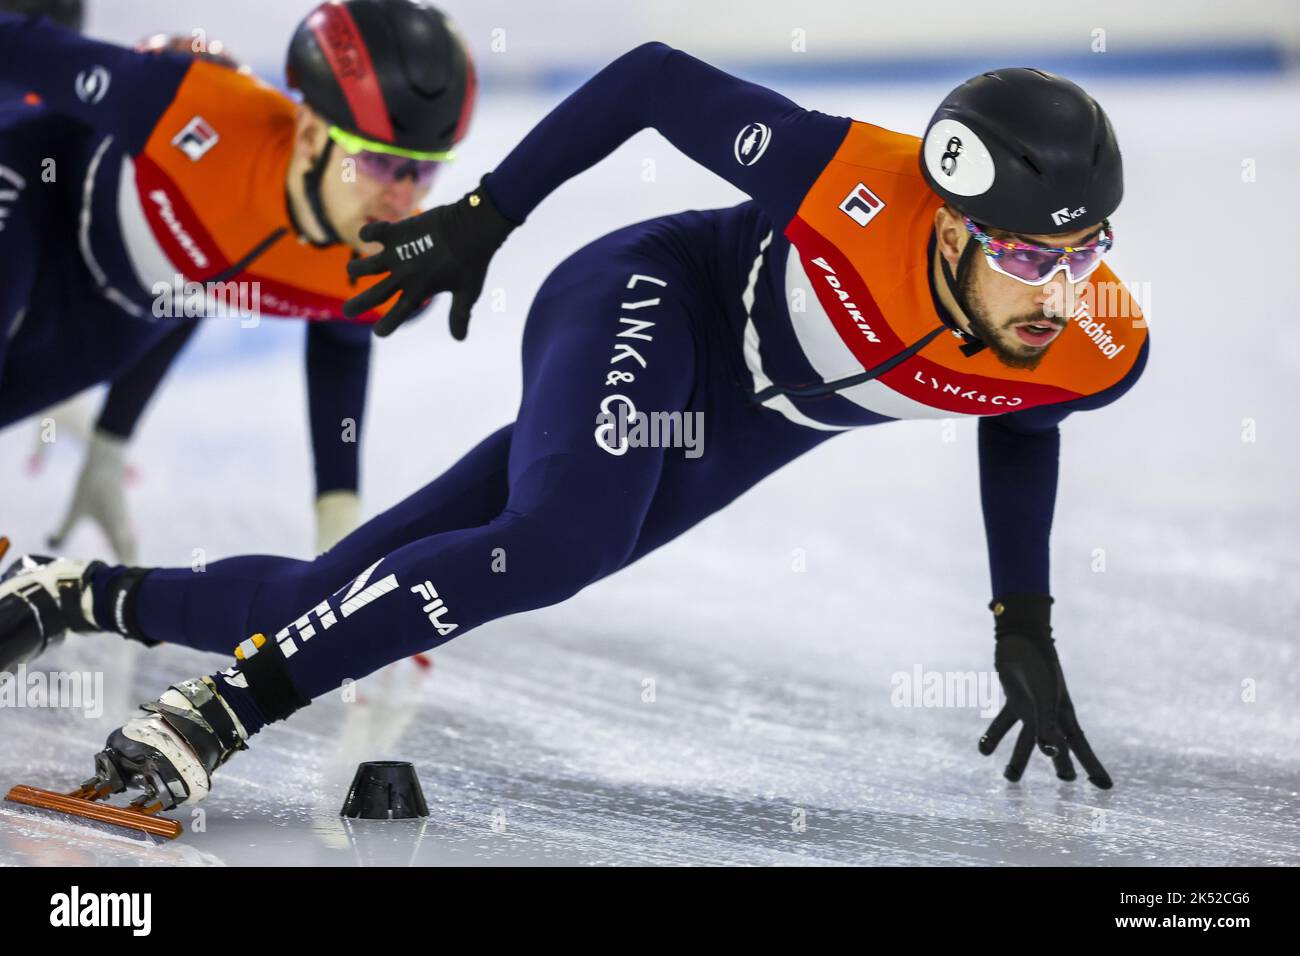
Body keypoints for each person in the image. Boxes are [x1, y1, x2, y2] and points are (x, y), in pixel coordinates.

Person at [1, 48, 1147, 811]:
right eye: (1026, 256)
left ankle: (75, 594)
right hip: (658, 297)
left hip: (733, 423)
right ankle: (224, 709)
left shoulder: (1092, 338)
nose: (1057, 290)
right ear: (948, 223)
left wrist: (1022, 616)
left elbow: (1023, 406)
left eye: (1084, 249)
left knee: (331, 598)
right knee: (559, 540)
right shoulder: (852, 180)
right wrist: (488, 216)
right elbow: (648, 80)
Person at [0, 0, 476, 556]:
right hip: (33, 191)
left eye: (424, 169)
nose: (403, 195)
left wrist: (338, 520)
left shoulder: (388, 266)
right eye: (376, 162)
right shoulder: (191, 105)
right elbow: (16, 44)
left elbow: (335, 337)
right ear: (310, 135)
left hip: (122, 313)